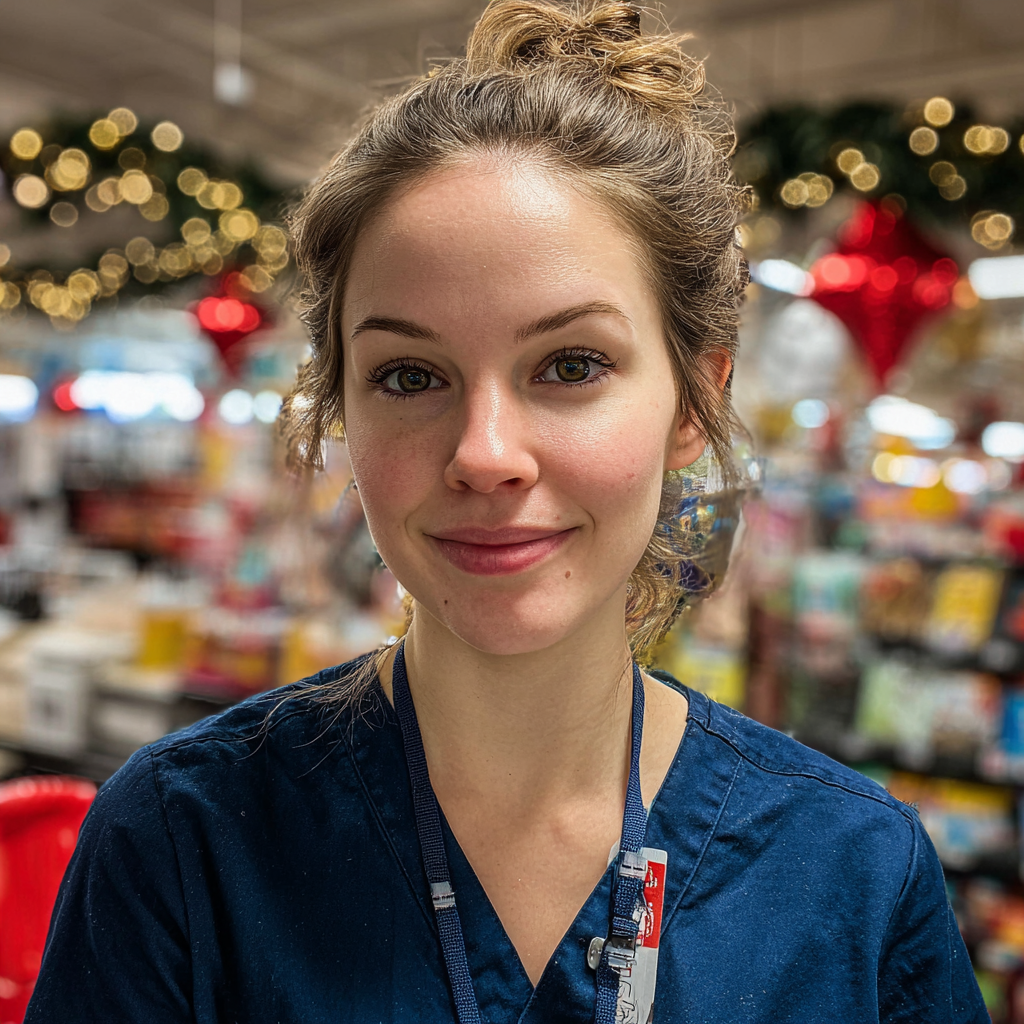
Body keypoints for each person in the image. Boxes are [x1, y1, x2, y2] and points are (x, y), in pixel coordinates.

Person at [27, 2, 987, 1021]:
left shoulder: (849, 876)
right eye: (407, 375)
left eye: (570, 365)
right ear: (341, 412)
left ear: (689, 403)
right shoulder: (186, 842)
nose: (484, 455)